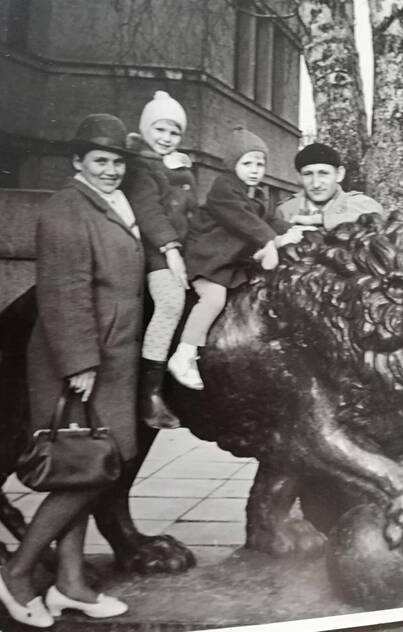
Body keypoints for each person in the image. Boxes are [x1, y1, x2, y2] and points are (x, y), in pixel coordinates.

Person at [0, 114, 144, 627]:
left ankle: (70, 583)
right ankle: (17, 574)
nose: (110, 170)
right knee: (86, 471)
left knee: (90, 466)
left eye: (117, 162)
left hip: (110, 357)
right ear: (77, 162)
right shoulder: (66, 210)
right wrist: (79, 364)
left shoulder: (107, 204)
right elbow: (63, 293)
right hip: (81, 362)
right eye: (100, 161)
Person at [167, 125, 302, 390]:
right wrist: (273, 240)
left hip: (227, 262)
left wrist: (295, 232)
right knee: (214, 299)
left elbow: (270, 219)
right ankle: (184, 353)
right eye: (247, 163)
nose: (255, 169)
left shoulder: (258, 193)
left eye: (259, 163)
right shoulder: (224, 189)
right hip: (206, 261)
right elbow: (244, 220)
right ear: (232, 165)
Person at [123, 90, 197, 429]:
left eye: (174, 132)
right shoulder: (141, 167)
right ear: (146, 130)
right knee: (170, 302)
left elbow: (191, 213)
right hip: (156, 251)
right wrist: (170, 249)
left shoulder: (178, 168)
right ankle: (149, 394)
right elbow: (150, 212)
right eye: (160, 130)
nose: (166, 139)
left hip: (180, 249)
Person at [276, 142, 383, 230]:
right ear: (299, 177)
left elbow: (375, 219)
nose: (316, 184)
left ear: (339, 174)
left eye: (323, 174)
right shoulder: (285, 210)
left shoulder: (360, 204)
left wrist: (318, 220)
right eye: (308, 174)